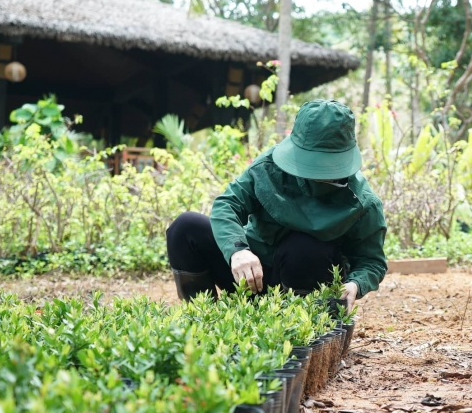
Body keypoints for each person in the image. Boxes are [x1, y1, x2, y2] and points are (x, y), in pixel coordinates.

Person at [166, 99, 387, 309]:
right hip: (250, 274)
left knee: (305, 246)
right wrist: (238, 251)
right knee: (185, 227)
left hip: (306, 284)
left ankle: (295, 327)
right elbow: (228, 204)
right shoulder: (269, 167)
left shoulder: (363, 203)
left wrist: (355, 284)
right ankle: (205, 317)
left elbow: (372, 261)